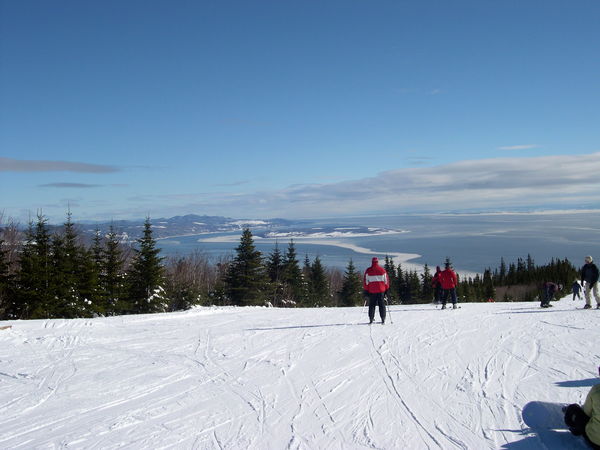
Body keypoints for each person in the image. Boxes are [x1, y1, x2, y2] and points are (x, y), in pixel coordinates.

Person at [563, 366, 600, 449]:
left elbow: (586, 412)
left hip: (596, 441)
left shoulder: (596, 390)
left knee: (575, 409)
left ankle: (572, 423)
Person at [363, 257, 389, 324]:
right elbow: (386, 281)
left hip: (372, 291)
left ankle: (371, 319)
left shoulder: (368, 270)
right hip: (381, 290)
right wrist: (386, 290)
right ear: (377, 262)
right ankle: (383, 318)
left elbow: (366, 282)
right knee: (382, 305)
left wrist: (366, 290)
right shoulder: (382, 270)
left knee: (372, 305)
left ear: (372, 262)